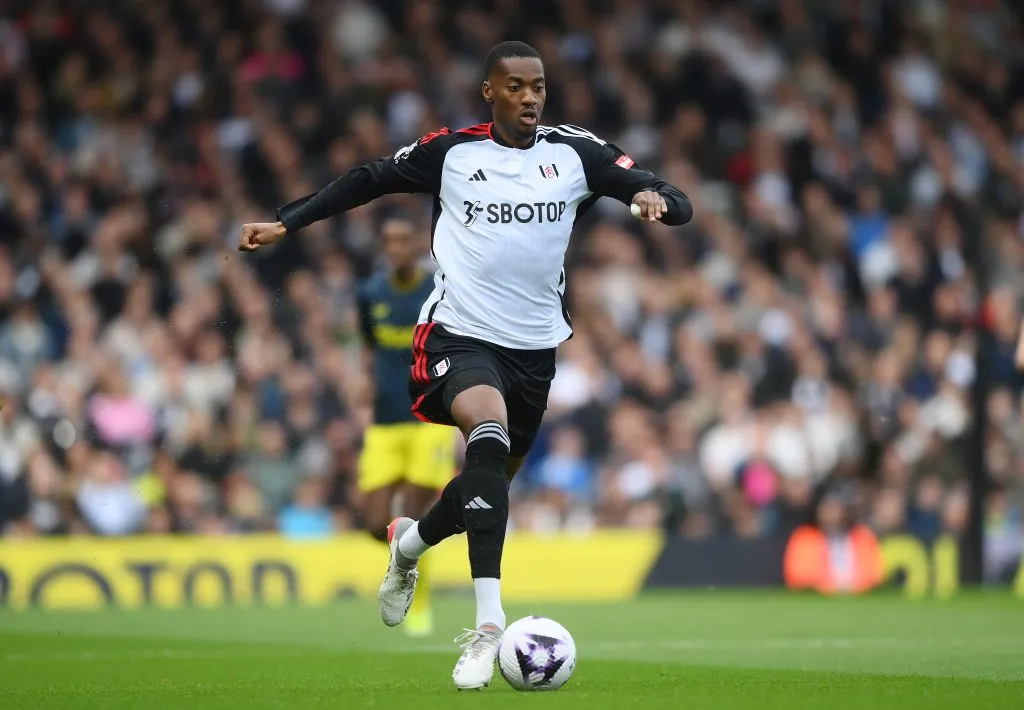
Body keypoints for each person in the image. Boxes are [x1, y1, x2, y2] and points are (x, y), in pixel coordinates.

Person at [238, 40, 693, 690]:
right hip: (457, 335)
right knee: (487, 438)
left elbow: (663, 189)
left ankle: (408, 548)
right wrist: (289, 222)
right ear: (489, 91)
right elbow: (370, 178)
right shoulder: (453, 153)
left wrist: (658, 204)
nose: (530, 97)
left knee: (485, 489)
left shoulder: (575, 153)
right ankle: (487, 628)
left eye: (537, 86)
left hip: (534, 351)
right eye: (515, 86)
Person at [354, 214, 456, 637]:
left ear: (419, 245)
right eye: (389, 241)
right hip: (384, 420)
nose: (396, 249)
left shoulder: (438, 288)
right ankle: (407, 567)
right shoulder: (369, 293)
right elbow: (369, 345)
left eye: (403, 241)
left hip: (427, 417)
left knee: (413, 514)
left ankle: (421, 601)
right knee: (377, 523)